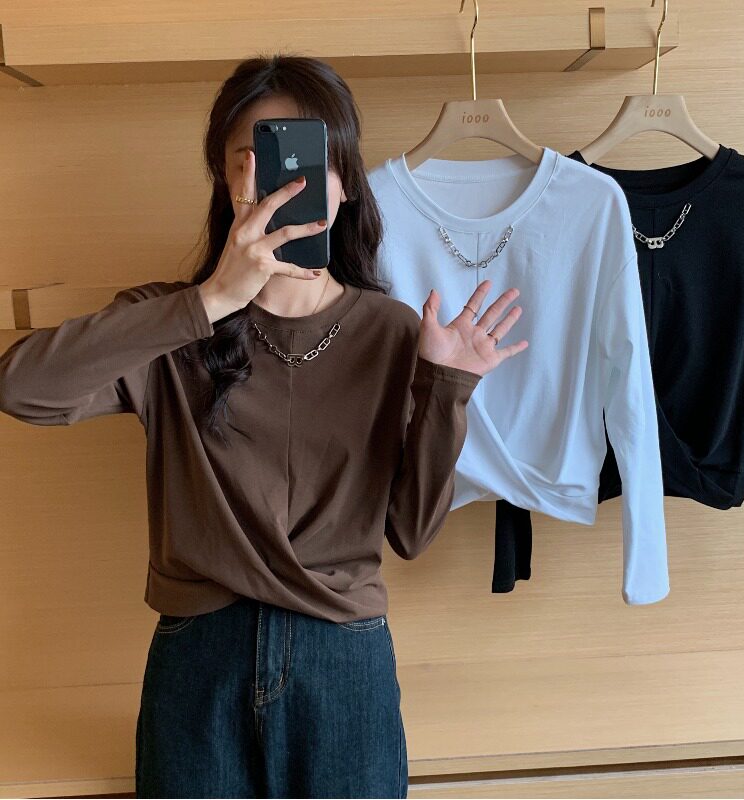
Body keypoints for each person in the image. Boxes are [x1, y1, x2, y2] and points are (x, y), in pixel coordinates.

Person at [0, 55, 527, 798]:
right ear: (226, 179)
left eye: (311, 160)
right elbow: (21, 389)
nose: (285, 182)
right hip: (198, 658)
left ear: (344, 183)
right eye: (256, 156)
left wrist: (448, 390)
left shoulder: (393, 332)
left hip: (343, 663)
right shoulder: (166, 324)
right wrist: (211, 301)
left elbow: (411, 534)